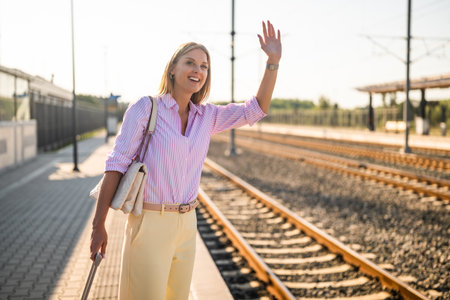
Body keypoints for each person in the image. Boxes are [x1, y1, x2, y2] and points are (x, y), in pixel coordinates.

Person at [90, 20, 282, 300]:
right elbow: (116, 165)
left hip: (187, 223)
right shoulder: (145, 108)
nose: (198, 70)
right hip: (150, 223)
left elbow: (255, 110)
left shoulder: (207, 117)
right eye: (190, 63)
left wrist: (272, 62)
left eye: (204, 66)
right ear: (173, 68)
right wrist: (98, 225)